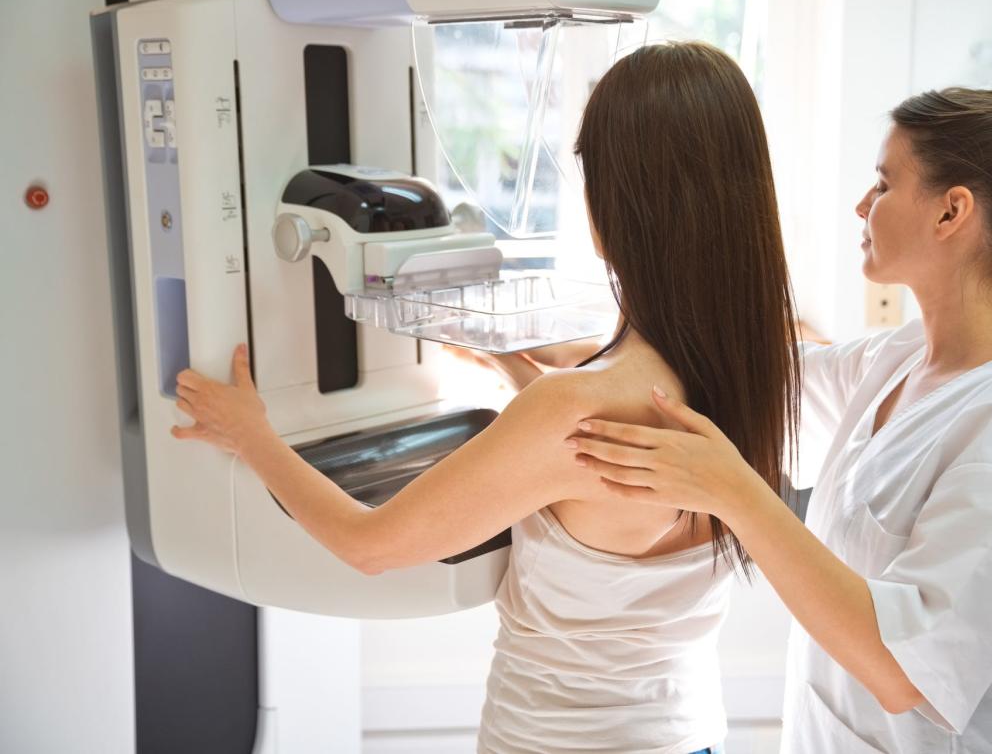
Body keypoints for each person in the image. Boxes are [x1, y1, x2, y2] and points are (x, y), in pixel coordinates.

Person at [168, 41, 801, 754]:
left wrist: (253, 435)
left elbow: (369, 546)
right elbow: (606, 472)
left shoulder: (573, 408)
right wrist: (510, 365)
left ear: (617, 205)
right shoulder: (753, 368)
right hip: (689, 735)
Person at [568, 88, 992, 753]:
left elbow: (902, 672)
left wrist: (735, 492)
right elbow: (757, 379)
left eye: (883, 184)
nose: (862, 205)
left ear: (952, 211)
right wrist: (543, 358)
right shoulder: (906, 357)